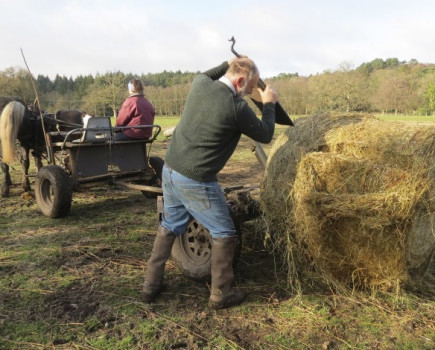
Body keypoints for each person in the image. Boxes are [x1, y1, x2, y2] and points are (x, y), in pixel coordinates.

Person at [142, 57, 278, 309]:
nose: (250, 93)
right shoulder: (236, 108)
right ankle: (221, 293)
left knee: (170, 224)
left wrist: (230, 60)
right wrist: (269, 104)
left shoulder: (200, 83)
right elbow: (266, 134)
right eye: (250, 87)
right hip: (196, 179)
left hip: (170, 170)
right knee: (225, 232)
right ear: (239, 80)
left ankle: (150, 285)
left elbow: (213, 72)